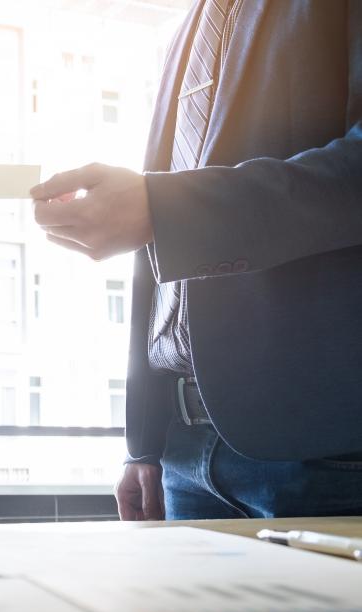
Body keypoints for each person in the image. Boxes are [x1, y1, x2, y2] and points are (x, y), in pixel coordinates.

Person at [31, 0, 362, 520]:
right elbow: (164, 246)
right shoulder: (189, 26)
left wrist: (161, 208)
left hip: (322, 448)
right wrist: (145, 440)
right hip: (180, 454)